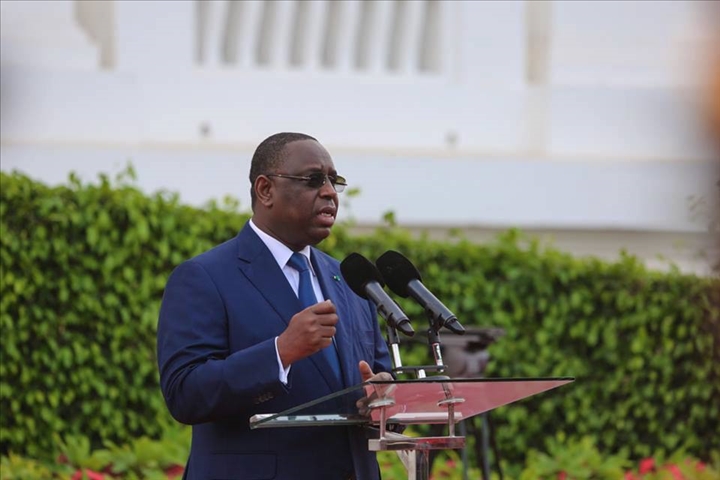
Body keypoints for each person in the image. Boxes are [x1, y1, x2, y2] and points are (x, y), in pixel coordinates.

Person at [157, 132, 393, 480]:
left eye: (334, 181)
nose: (330, 192)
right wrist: (280, 353)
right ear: (265, 190)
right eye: (313, 179)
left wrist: (384, 393)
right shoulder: (204, 277)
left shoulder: (350, 280)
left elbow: (380, 378)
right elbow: (185, 394)